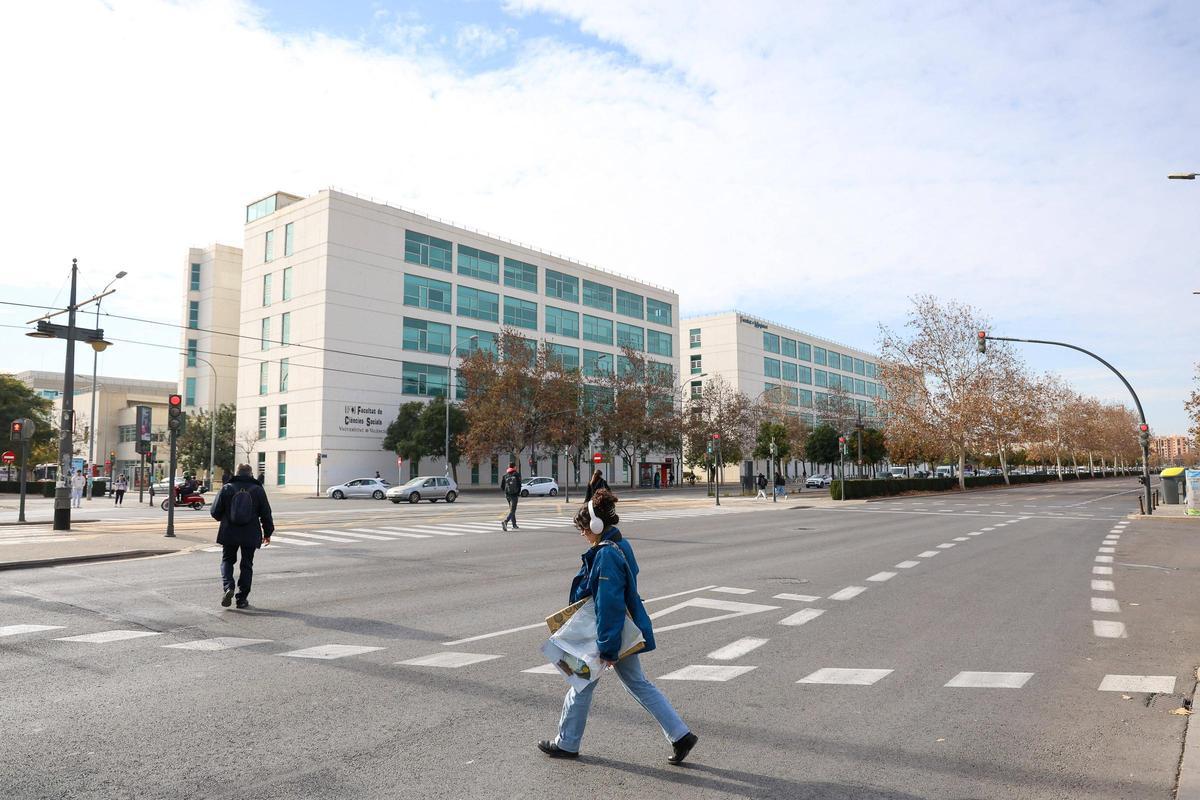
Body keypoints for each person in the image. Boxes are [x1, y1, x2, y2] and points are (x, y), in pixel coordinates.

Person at [538, 488, 698, 765]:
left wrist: (608, 648)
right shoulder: (619, 545)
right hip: (621, 630)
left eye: (583, 528)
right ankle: (680, 735)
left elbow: (609, 603)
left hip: (608, 632)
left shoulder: (606, 555)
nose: (582, 534)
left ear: (596, 526)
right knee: (636, 683)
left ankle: (566, 743)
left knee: (581, 682)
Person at [210, 463, 274, 609]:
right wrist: (268, 533)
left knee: (227, 560)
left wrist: (226, 516)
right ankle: (242, 599)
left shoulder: (227, 488)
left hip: (229, 531)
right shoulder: (258, 489)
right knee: (246, 565)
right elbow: (266, 513)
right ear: (250, 474)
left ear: (237, 474)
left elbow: (215, 512)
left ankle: (228, 587)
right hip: (250, 533)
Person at [501, 463, 522, 531]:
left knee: (511, 509)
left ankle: (514, 525)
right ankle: (505, 521)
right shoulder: (516, 474)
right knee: (513, 510)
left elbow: (502, 486)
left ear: (508, 467)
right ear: (515, 467)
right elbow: (519, 485)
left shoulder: (505, 475)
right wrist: (518, 493)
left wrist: (507, 492)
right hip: (514, 495)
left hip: (507, 495)